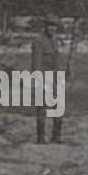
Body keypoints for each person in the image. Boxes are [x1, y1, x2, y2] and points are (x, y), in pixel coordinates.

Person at [31, 16, 63, 145]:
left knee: (58, 106)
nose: (52, 28)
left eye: (54, 26)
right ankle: (41, 138)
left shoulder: (54, 41)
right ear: (45, 26)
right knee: (42, 108)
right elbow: (36, 63)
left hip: (54, 78)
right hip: (43, 78)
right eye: (50, 26)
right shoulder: (38, 41)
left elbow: (56, 60)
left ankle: (56, 136)